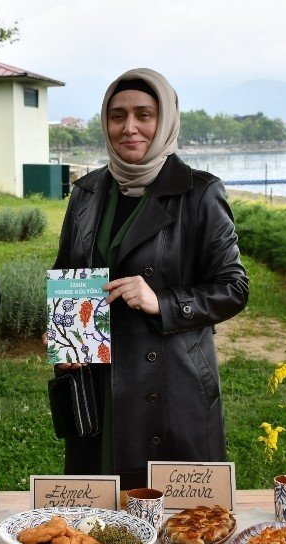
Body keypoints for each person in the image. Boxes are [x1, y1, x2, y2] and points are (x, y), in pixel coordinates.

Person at [51, 68, 248, 490]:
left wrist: (162, 300)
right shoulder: (86, 192)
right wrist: (66, 341)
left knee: (173, 525)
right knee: (96, 516)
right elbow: (66, 272)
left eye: (145, 114)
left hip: (169, 388)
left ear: (166, 121)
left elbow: (233, 287)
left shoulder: (200, 192)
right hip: (96, 383)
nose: (130, 128)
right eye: (117, 116)